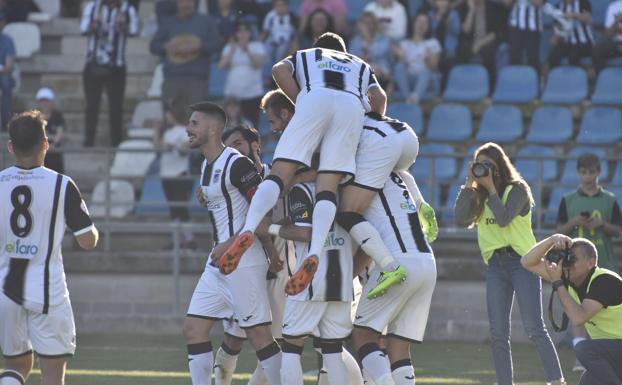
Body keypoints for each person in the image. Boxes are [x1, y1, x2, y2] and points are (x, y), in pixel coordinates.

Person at [219, 33, 386, 297]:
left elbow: (278, 70)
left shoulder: (309, 55)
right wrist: (373, 120)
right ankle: (315, 252)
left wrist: (303, 99)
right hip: (351, 106)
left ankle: (249, 229)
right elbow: (379, 98)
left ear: (318, 49)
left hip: (315, 98)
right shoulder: (360, 64)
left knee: (278, 175)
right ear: (344, 50)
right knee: (327, 188)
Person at [183, 102, 282, 385]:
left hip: (244, 260)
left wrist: (231, 242)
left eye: (194, 123)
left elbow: (264, 215)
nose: (188, 129)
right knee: (193, 329)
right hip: (217, 264)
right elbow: (227, 206)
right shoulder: (206, 165)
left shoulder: (238, 163)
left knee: (259, 336)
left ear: (213, 129)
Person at [0, 111, 99, 385]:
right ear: (46, 143)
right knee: (53, 375)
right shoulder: (62, 185)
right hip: (48, 291)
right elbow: (87, 241)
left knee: (18, 364)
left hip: (6, 290)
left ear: (10, 147)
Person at [454, 142, 565, 385]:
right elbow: (461, 219)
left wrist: (491, 188)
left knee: (534, 328)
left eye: (488, 165)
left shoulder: (518, 189)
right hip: (496, 264)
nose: (483, 170)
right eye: (479, 165)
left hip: (524, 262)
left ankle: (556, 381)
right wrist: (467, 184)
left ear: (499, 166)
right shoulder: (479, 194)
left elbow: (503, 219)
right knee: (498, 334)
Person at [335, 112, 438, 299]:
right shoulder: (360, 101)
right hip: (406, 135)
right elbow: (379, 97)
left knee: (347, 213)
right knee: (392, 170)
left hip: (381, 140)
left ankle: (390, 267)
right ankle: (420, 205)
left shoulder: (338, 117)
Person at [352, 169, 437, 385]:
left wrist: (345, 276)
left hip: (397, 262)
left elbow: (366, 237)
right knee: (398, 346)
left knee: (364, 335)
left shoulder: (364, 177)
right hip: (427, 260)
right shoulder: (404, 177)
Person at [278, 176, 364, 385]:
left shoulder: (301, 189)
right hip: (342, 281)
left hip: (310, 281)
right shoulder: (348, 192)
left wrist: (272, 229)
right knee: (333, 350)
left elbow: (305, 232)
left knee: (291, 347)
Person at [521, 234, 622, 385]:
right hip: (612, 353)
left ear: (591, 262)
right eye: (566, 257)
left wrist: (557, 281)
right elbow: (527, 262)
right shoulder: (568, 279)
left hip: (614, 349)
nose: (567, 263)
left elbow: (578, 318)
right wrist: (552, 240)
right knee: (586, 382)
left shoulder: (605, 280)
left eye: (573, 259)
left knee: (584, 349)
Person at [80, 0, 139, 147]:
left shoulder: (127, 9)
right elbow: (83, 29)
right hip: (94, 64)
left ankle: (116, 141)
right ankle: (89, 140)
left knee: (116, 105)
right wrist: (95, 24)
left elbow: (134, 31)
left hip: (116, 66)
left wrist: (122, 25)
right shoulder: (92, 7)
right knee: (92, 104)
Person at [150, 0, 222, 108]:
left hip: (197, 80)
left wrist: (200, 46)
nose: (186, 4)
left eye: (189, 1)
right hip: (172, 79)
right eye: (183, 1)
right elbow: (153, 46)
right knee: (171, 119)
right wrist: (166, 46)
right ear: (177, 3)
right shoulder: (168, 23)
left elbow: (217, 44)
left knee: (196, 119)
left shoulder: (206, 21)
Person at [557, 153, 622, 272]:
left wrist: (601, 224)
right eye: (583, 172)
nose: (588, 176)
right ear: (578, 173)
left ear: (599, 172)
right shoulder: (567, 199)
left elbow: (617, 231)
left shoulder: (610, 199)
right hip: (574, 264)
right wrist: (574, 222)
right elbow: (559, 233)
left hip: (604, 263)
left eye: (592, 172)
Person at [155, 98, 195, 250]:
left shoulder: (185, 131)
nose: (167, 116)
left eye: (169, 114)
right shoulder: (168, 132)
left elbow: (186, 148)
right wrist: (156, 130)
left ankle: (190, 240)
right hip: (166, 174)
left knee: (181, 209)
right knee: (173, 209)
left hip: (180, 174)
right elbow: (157, 146)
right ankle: (177, 240)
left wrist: (174, 145)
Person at [219, 21, 267, 126]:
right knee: (231, 124)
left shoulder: (257, 46)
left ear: (250, 33)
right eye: (239, 31)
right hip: (233, 92)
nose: (243, 33)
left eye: (245, 30)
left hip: (252, 93)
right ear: (236, 33)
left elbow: (258, 64)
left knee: (252, 125)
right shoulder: (229, 47)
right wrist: (232, 50)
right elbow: (221, 66)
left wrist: (247, 49)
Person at [392, 13, 442, 104]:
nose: (421, 24)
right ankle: (408, 98)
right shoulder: (405, 43)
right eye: (419, 21)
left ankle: (415, 98)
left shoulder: (433, 43)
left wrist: (428, 59)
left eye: (425, 22)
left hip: (428, 82)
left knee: (427, 70)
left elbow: (434, 68)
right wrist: (402, 57)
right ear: (413, 24)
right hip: (410, 81)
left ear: (428, 26)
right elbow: (401, 70)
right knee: (398, 67)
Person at [457, 0, 508, 86]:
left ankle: (489, 86)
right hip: (471, 41)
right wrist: (471, 10)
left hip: (488, 41)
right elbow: (465, 31)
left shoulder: (495, 7)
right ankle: (464, 84)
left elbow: (496, 33)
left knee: (488, 51)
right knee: (462, 50)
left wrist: (479, 44)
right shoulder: (464, 7)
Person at [349, 12, 394, 92]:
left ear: (375, 25)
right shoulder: (355, 41)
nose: (368, 26)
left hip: (382, 71)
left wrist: (367, 38)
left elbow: (378, 53)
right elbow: (352, 60)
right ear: (360, 25)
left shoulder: (383, 39)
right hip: (362, 72)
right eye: (365, 23)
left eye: (371, 23)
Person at [546, 0, 594, 67]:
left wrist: (573, 15)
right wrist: (555, 36)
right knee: (553, 56)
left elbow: (588, 19)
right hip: (566, 42)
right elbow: (557, 25)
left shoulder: (583, 3)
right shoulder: (559, 6)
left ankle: (579, 75)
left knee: (573, 56)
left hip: (584, 42)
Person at [506, 0, 544, 70]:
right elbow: (507, 3)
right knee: (514, 56)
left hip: (533, 26)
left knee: (532, 57)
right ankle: (515, 79)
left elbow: (538, 2)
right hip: (515, 25)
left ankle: (534, 79)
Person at [428, 0, 461, 79]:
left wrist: (449, 25)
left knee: (449, 60)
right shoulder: (431, 14)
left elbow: (457, 32)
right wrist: (437, 20)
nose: (442, 3)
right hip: (434, 48)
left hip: (449, 48)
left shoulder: (454, 14)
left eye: (445, 0)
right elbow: (429, 31)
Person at [36, 88, 66, 174]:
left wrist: (53, 145)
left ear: (52, 102)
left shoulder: (58, 115)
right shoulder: (35, 116)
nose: (45, 103)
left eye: (47, 101)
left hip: (55, 154)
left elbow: (60, 132)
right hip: (40, 156)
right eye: (42, 101)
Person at [261, 0, 297, 66]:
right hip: (272, 41)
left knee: (282, 50)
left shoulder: (291, 17)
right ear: (274, 7)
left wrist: (294, 46)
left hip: (286, 42)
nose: (281, 8)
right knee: (264, 50)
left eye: (283, 5)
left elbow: (294, 34)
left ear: (287, 6)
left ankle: (278, 68)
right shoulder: (270, 16)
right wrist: (259, 44)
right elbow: (265, 32)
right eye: (278, 5)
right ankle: (266, 71)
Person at [592, 0, 622, 73]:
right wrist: (616, 21)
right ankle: (600, 79)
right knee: (597, 49)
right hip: (616, 44)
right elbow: (607, 35)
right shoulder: (614, 7)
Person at [0, 12, 14, 131]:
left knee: (6, 82)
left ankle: (6, 121)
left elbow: (9, 66)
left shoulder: (7, 41)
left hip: (2, 73)